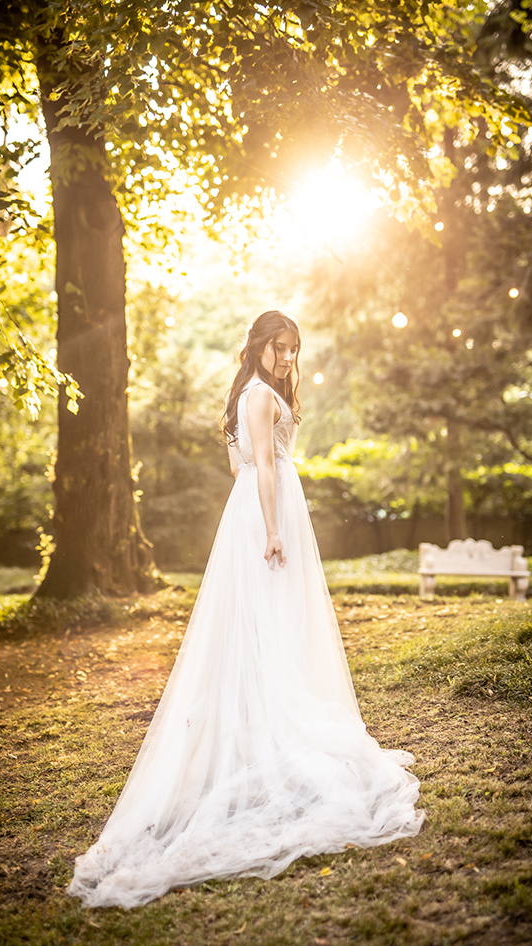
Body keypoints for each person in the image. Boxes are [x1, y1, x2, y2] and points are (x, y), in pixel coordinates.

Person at [68, 310, 424, 909]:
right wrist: (272, 528)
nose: (287, 359)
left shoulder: (255, 393)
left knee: (272, 629)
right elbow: (258, 467)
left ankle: (268, 740)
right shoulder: (258, 397)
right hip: (266, 514)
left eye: (293, 351)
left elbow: (241, 465)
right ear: (258, 346)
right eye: (279, 348)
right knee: (268, 625)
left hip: (262, 511)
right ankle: (274, 741)